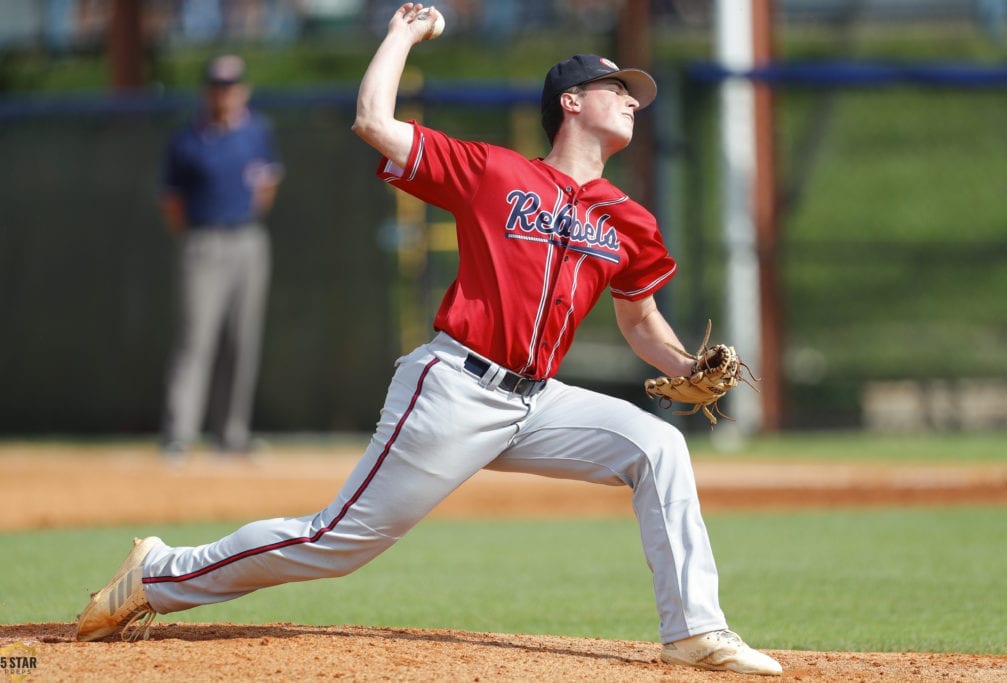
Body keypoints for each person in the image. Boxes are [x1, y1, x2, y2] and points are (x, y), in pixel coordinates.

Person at [76, 5, 781, 676]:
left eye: (634, 92)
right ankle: (161, 571)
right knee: (333, 543)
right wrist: (403, 33)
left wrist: (687, 364)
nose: (632, 99)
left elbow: (639, 322)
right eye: (616, 87)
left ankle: (693, 631)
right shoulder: (495, 173)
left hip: (539, 403)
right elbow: (373, 121)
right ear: (570, 102)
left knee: (658, 445)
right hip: (455, 388)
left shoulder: (628, 219)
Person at [158, 54, 283, 458]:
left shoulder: (257, 131)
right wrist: (198, 234)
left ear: (242, 90)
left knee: (242, 340)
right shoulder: (188, 138)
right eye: (217, 86)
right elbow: (171, 202)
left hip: (248, 239)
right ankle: (179, 433)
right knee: (196, 338)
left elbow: (268, 183)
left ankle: (230, 434)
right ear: (206, 90)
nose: (224, 93)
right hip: (204, 242)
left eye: (230, 86)